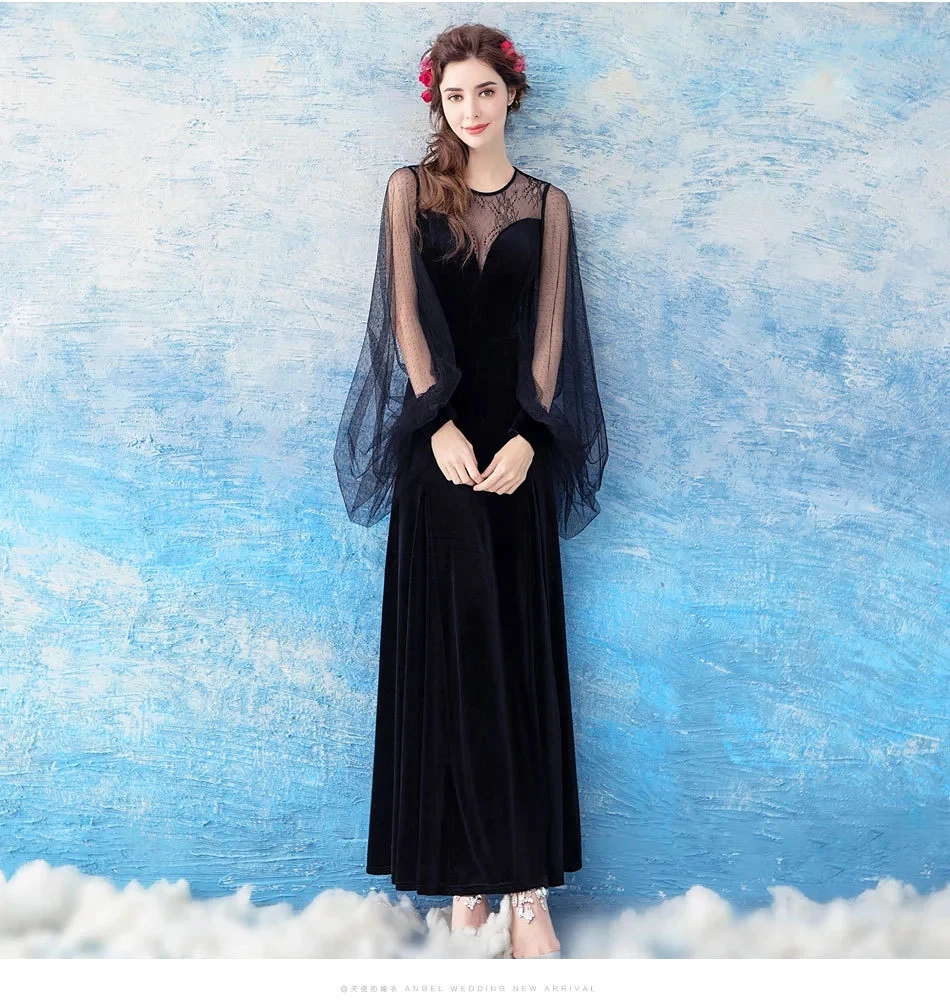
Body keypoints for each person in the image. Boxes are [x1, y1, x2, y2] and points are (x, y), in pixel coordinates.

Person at [334, 23, 608, 959]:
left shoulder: (550, 205)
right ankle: (465, 888)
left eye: (485, 91)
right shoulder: (409, 191)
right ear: (438, 102)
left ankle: (527, 889)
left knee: (516, 664)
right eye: (455, 95)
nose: (471, 109)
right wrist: (438, 425)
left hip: (517, 458)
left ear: (511, 95)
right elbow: (405, 320)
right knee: (451, 666)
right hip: (439, 451)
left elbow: (551, 340)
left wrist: (531, 439)